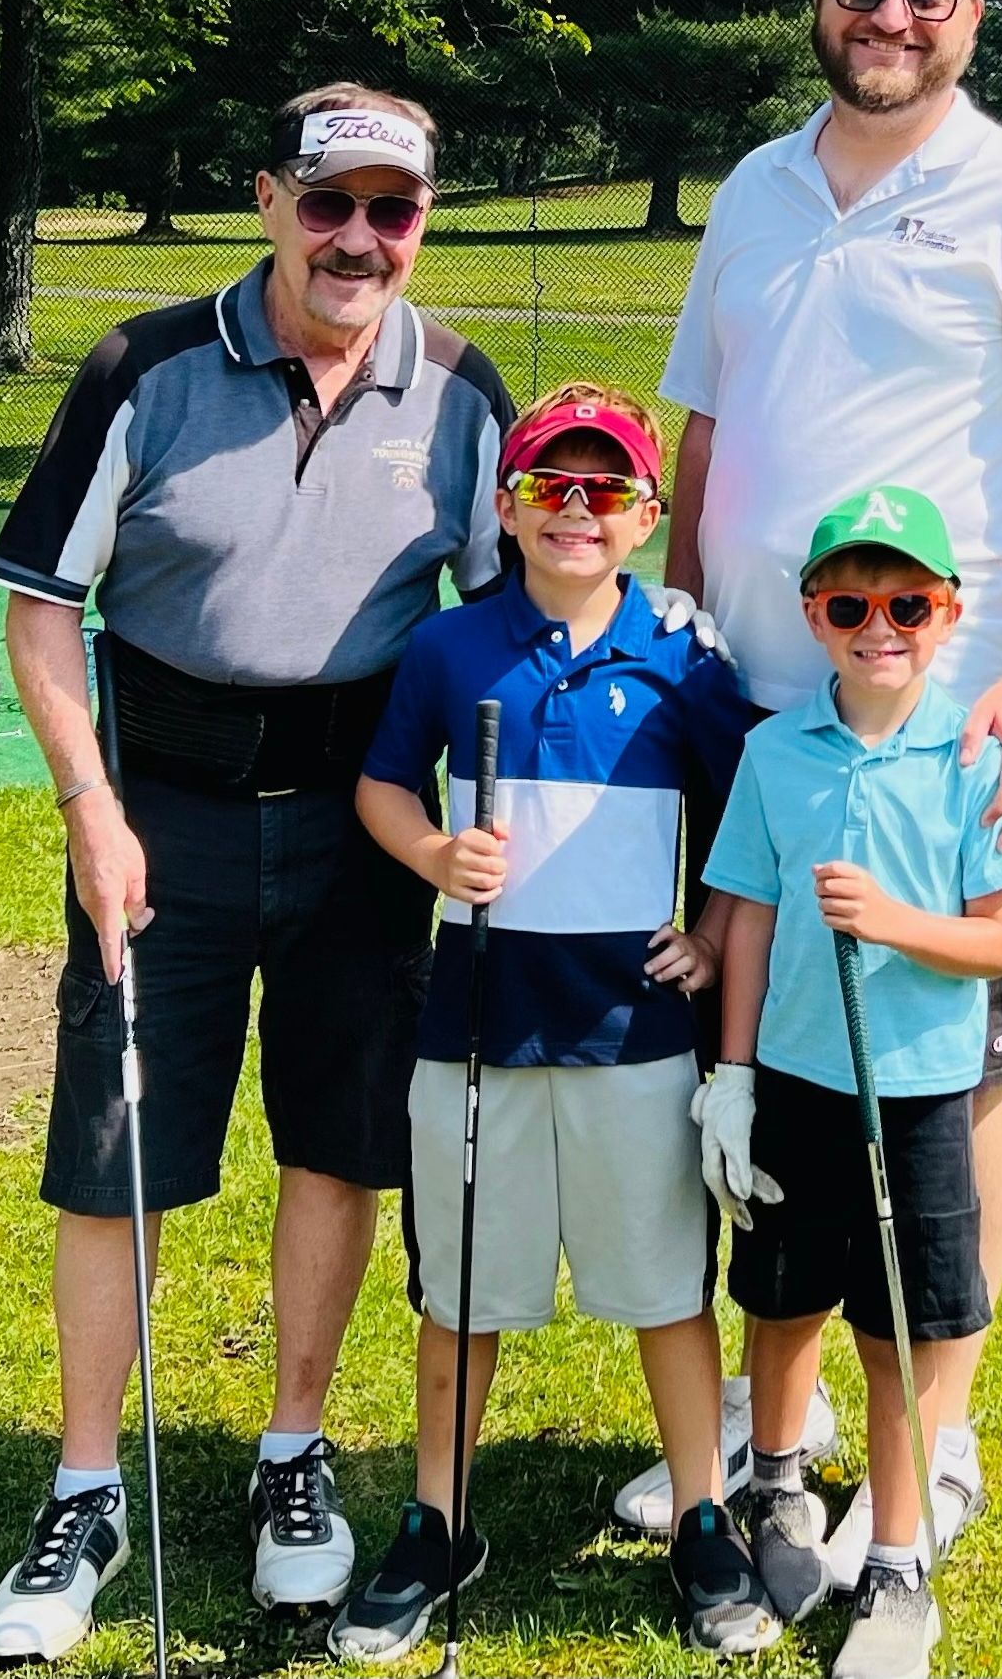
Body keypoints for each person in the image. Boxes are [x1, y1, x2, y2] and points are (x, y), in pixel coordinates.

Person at [615, 0, 1002, 1574]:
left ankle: (946, 1418)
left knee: (957, 1056)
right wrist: (680, 628)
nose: (891, 13)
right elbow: (702, 433)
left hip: (938, 709)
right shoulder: (757, 190)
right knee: (764, 1048)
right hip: (752, 705)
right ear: (820, 3)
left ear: (973, 13)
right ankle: (791, 1422)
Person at [0, 82, 516, 1658]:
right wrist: (91, 807)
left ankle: (294, 1453)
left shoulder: (462, 393)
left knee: (339, 1143)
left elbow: (495, 624)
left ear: (422, 225)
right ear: (268, 199)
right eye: (330, 202)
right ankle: (88, 1484)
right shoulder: (140, 367)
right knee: (118, 1149)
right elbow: (39, 606)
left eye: (394, 211)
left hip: (365, 813)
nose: (360, 237)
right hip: (163, 812)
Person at [330, 384, 782, 1664]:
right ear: (510, 508)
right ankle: (438, 1514)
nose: (575, 511)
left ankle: (703, 1514)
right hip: (475, 1030)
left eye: (605, 491)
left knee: (660, 1286)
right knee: (463, 1288)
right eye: (549, 487)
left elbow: (747, 815)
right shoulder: (450, 649)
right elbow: (378, 783)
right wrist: (432, 855)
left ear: (647, 515)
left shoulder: (683, 658)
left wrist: (703, 927)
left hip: (635, 1033)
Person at [700, 486, 1002, 1677]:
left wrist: (896, 922)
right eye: (851, 603)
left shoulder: (974, 757)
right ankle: (778, 1490)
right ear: (814, 613)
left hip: (920, 1092)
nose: (878, 624)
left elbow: (996, 943)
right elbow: (741, 916)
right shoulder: (773, 749)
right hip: (794, 1076)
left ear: (948, 613)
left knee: (899, 1334)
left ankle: (897, 1562)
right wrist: (730, 1077)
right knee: (781, 1303)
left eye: (907, 603)